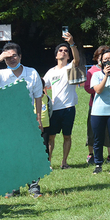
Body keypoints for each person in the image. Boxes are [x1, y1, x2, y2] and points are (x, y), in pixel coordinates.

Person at [0, 41, 45, 198]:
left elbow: (38, 97)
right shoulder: (3, 74)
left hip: (27, 119)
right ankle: (13, 186)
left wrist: (38, 119)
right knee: (11, 153)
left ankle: (33, 186)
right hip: (7, 121)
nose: (12, 59)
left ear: (20, 56)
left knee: (29, 152)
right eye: (8, 57)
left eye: (14, 56)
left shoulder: (32, 73)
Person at [42, 32, 80, 169]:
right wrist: (46, 98)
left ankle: (64, 162)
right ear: (56, 55)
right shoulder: (51, 72)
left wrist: (72, 44)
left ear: (68, 55)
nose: (63, 52)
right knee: (51, 137)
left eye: (66, 51)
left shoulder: (70, 67)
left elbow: (77, 60)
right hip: (55, 108)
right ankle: (49, 163)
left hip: (69, 107)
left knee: (67, 136)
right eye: (60, 50)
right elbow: (42, 85)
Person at [84, 45, 110, 165]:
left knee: (109, 131)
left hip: (109, 105)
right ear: (97, 57)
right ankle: (91, 154)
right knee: (93, 131)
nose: (104, 59)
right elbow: (88, 88)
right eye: (101, 56)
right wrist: (98, 87)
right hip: (95, 105)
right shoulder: (92, 71)